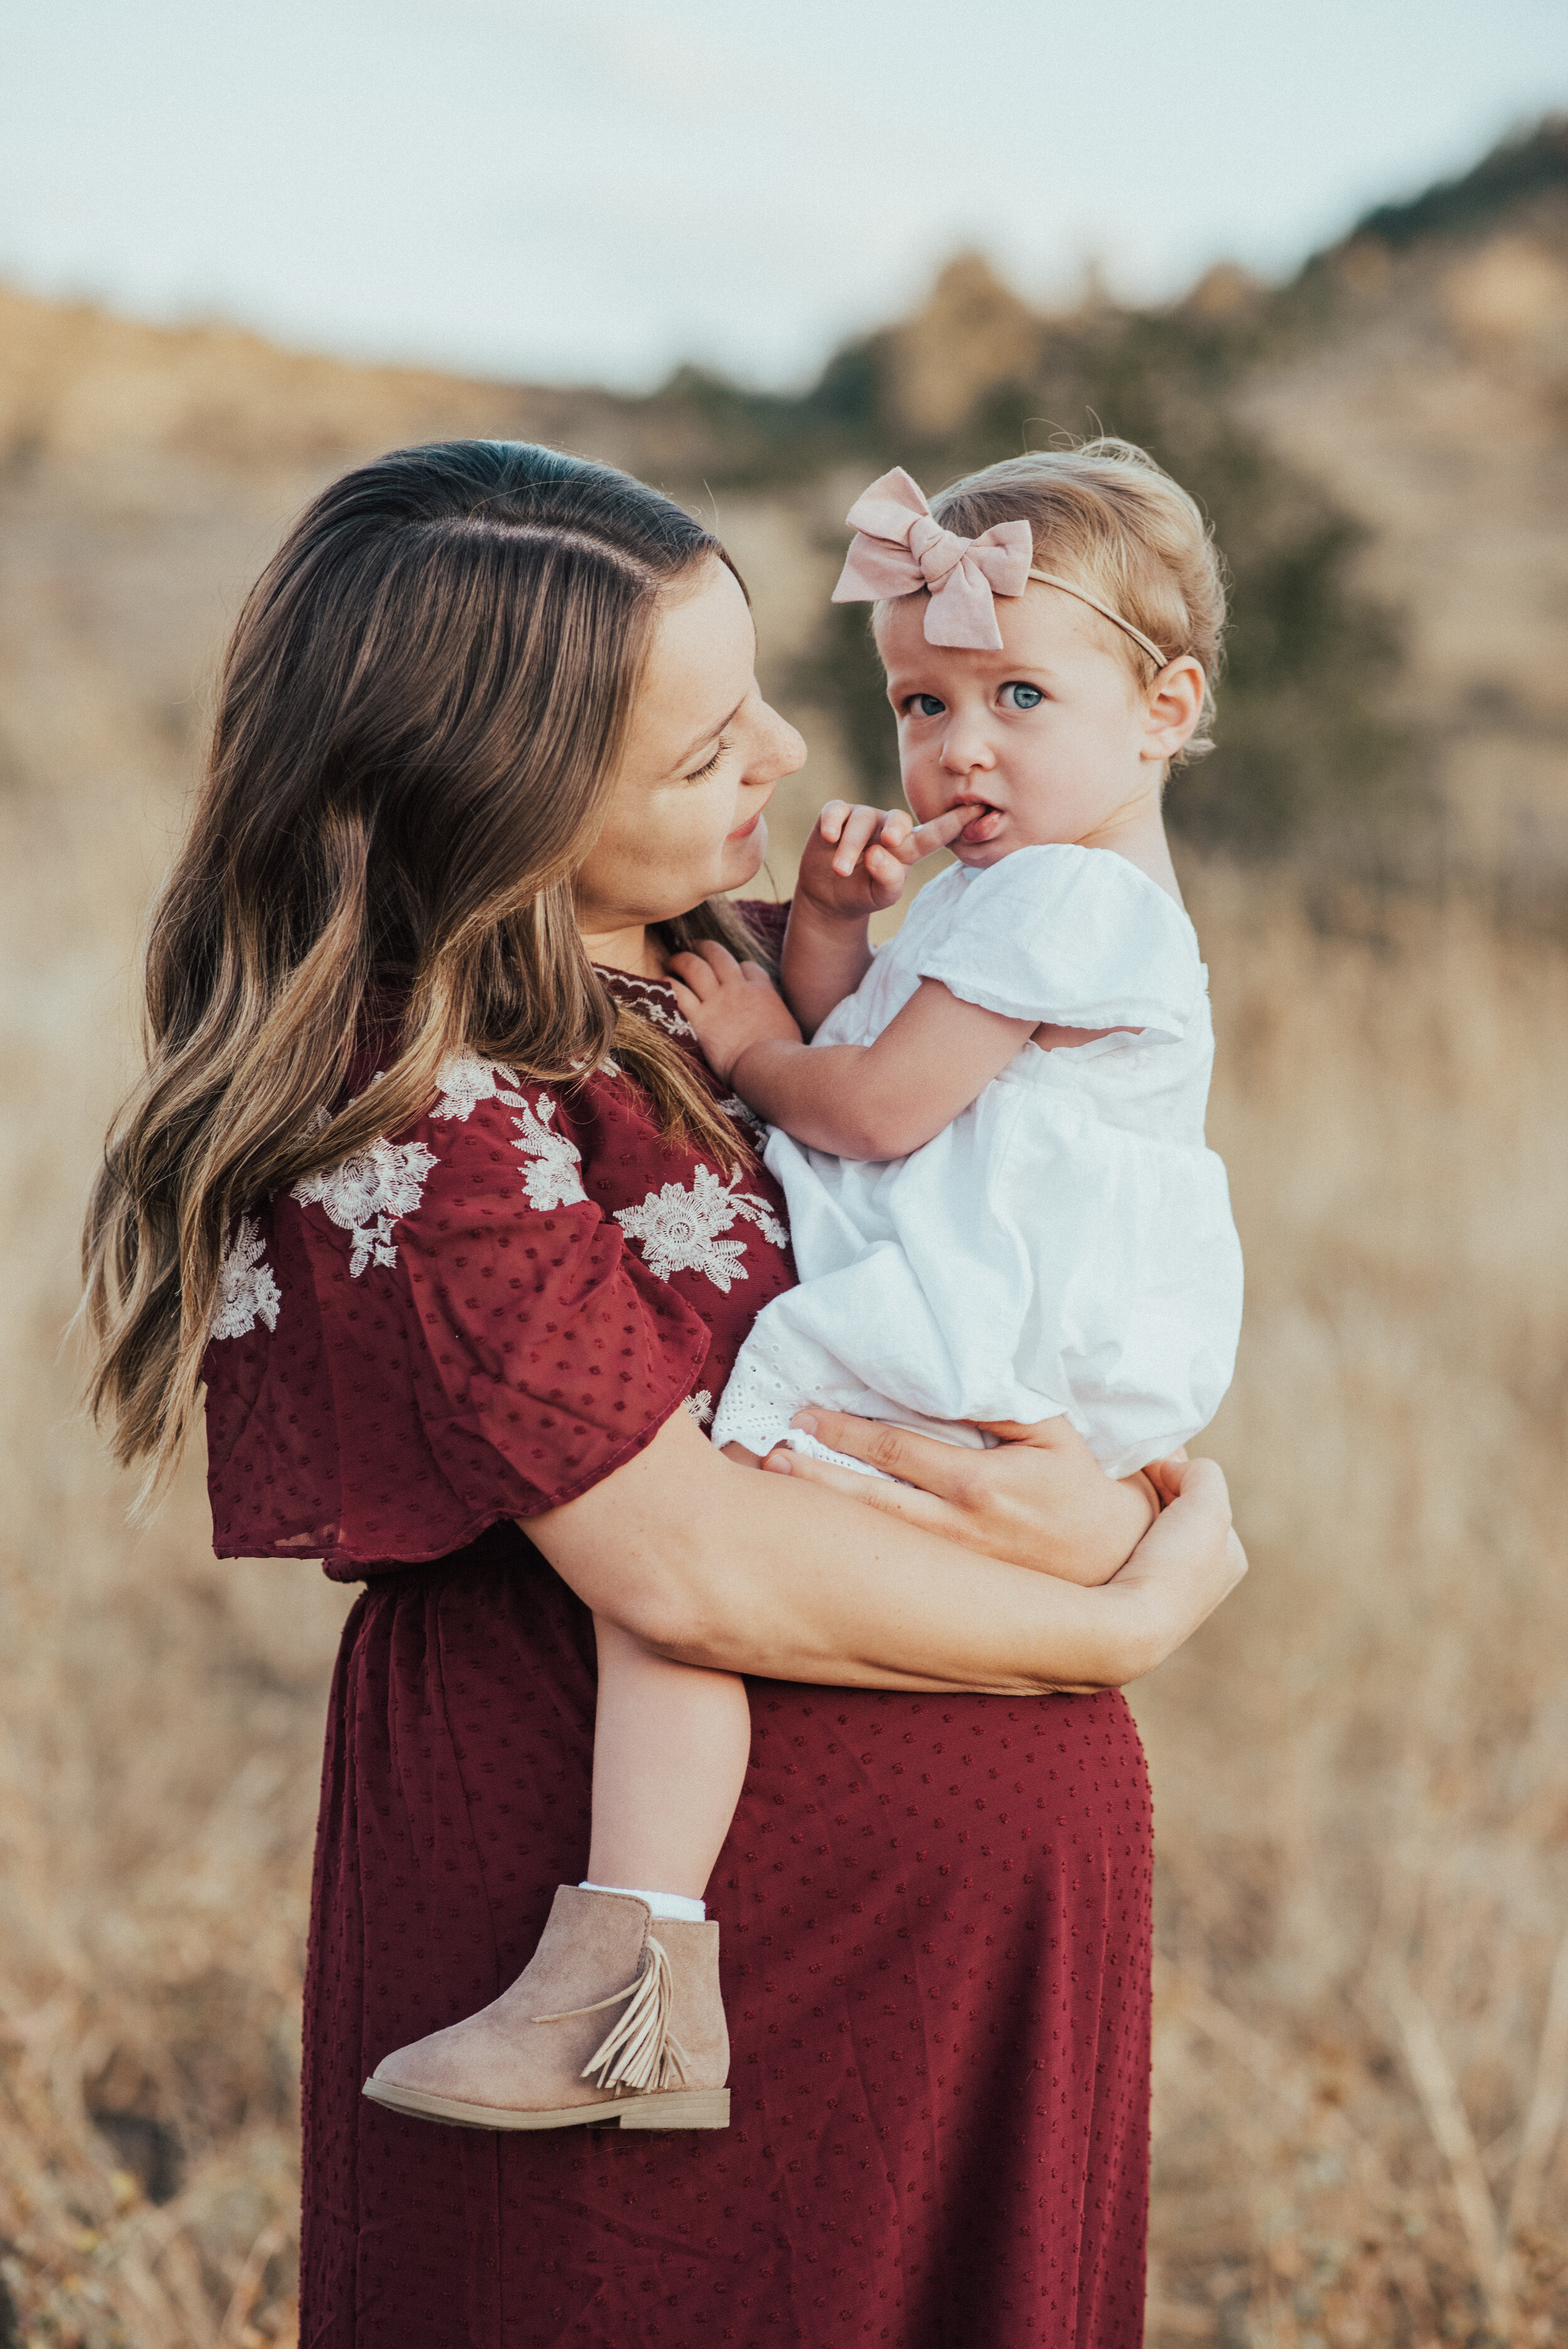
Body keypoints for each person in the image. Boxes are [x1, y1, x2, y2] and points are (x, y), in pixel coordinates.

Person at [82, 439, 1244, 2348]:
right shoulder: (419, 1096)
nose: (788, 760)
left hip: (974, 1955)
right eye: (704, 751)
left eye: (765, 696)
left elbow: (1002, 1283)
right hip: (640, 1954)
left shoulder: (734, 960)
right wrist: (1122, 1601)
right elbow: (691, 1568)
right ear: (500, 799)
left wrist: (1117, 1504)